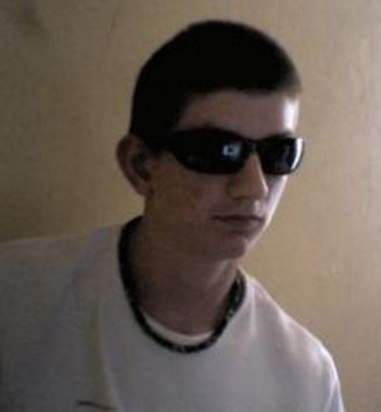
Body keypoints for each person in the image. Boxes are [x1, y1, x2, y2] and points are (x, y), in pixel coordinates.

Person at [0, 20, 345, 411]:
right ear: (141, 165)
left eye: (278, 154)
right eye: (219, 151)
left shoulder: (306, 377)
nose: (255, 187)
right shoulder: (17, 301)